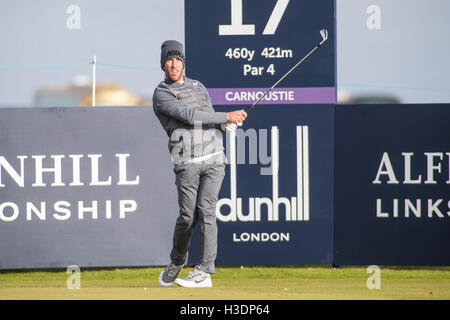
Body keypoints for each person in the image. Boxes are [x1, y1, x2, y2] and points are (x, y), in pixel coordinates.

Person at [153, 40, 247, 287]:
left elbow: (209, 113)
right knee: (187, 216)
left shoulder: (199, 86)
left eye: (177, 59)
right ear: (163, 64)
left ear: (183, 62)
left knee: (207, 212)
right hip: (187, 161)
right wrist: (226, 116)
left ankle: (204, 271)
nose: (173, 64)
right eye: (169, 60)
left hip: (215, 158)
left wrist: (224, 125)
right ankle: (177, 260)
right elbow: (190, 116)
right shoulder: (161, 93)